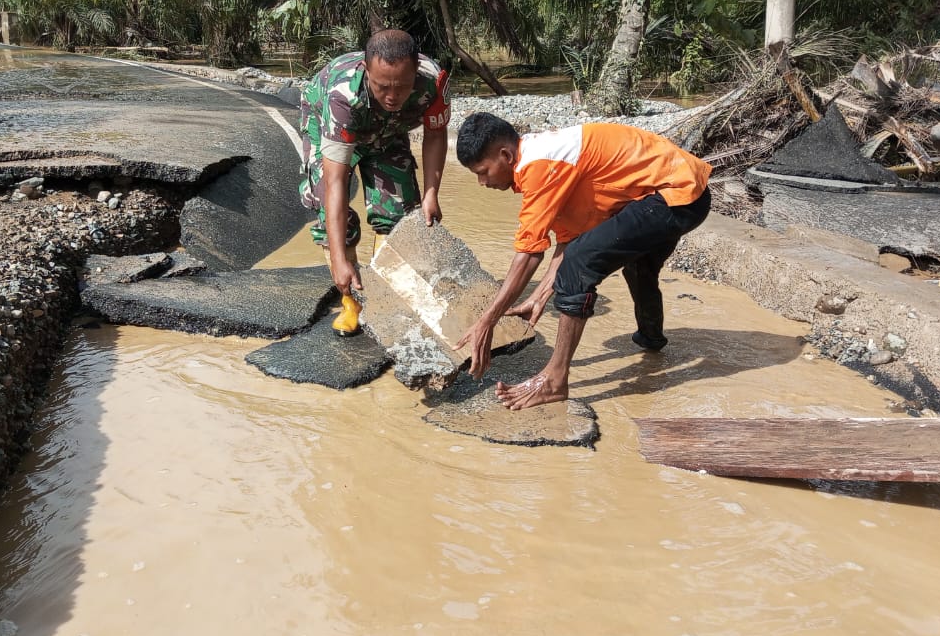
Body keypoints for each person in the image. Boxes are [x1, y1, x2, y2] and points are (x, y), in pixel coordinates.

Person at [453, 112, 712, 410]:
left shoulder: (540, 165)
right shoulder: (547, 160)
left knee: (580, 266)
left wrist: (486, 322)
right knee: (637, 265)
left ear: (505, 155)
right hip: (688, 192)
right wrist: (540, 295)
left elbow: (528, 254)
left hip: (676, 193)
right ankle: (651, 342)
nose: (482, 182)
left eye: (483, 171)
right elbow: (569, 238)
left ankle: (554, 380)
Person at [298, 29, 451, 335]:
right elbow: (336, 184)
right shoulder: (343, 96)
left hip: (388, 133)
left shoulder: (432, 81)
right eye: (382, 87)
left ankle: (383, 294)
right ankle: (350, 300)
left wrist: (432, 193)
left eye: (402, 87)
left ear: (415, 72)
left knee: (401, 215)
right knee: (329, 210)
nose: (392, 96)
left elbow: (435, 134)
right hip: (329, 125)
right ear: (367, 71)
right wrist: (340, 258)